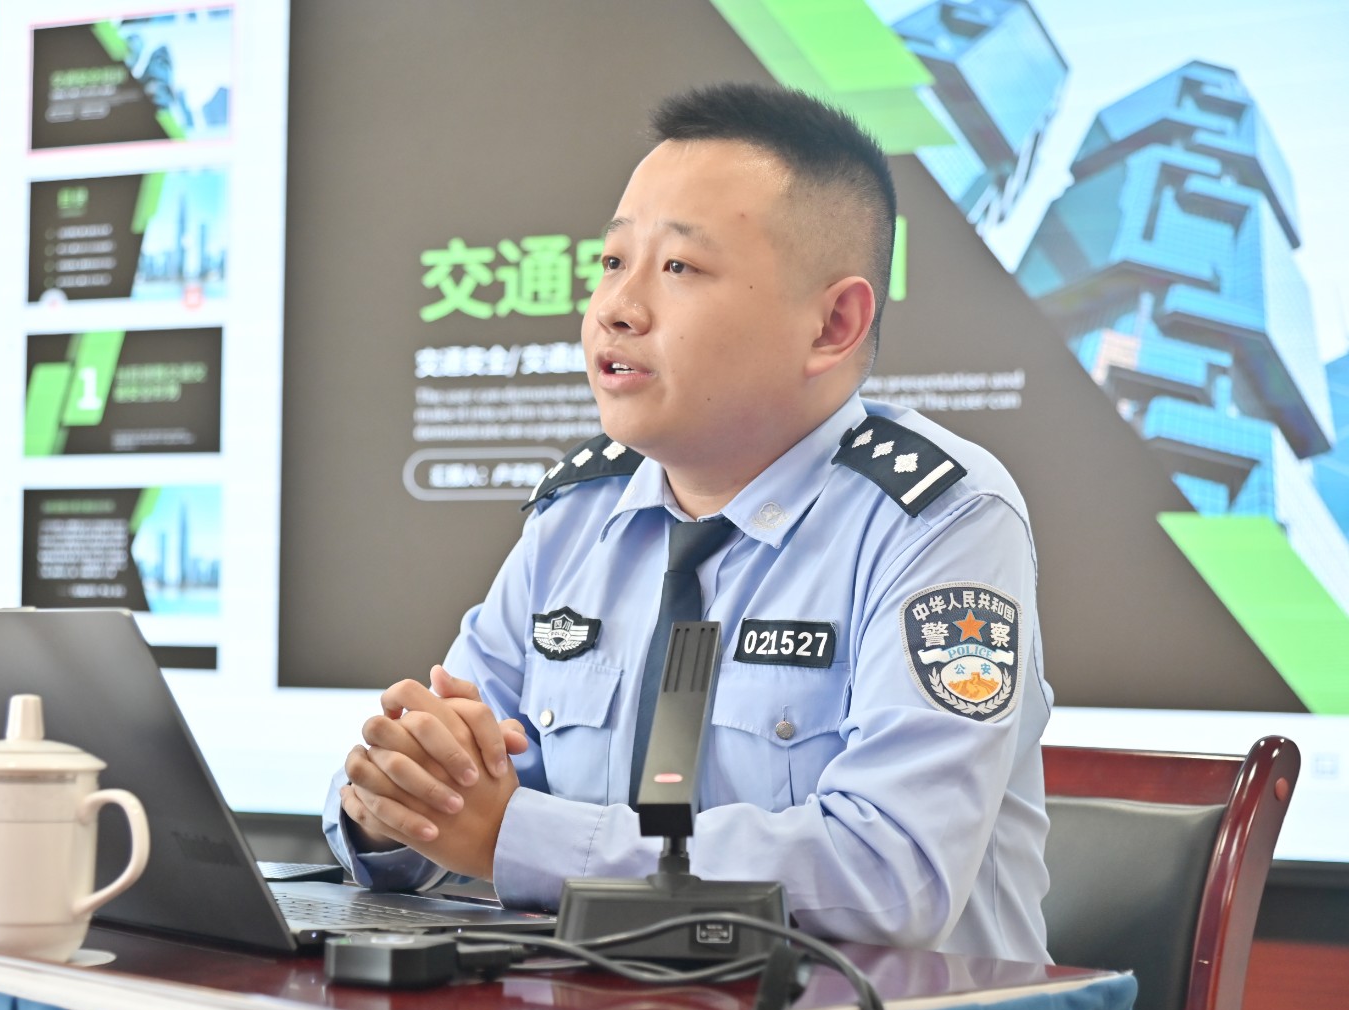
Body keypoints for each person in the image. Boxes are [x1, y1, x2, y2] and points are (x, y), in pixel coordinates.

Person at [323, 82, 1051, 964]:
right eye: (611, 262)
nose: (616, 308)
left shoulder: (940, 519)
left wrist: (515, 837)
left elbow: (891, 875)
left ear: (833, 323)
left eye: (677, 268)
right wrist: (395, 803)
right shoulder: (576, 516)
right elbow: (461, 787)